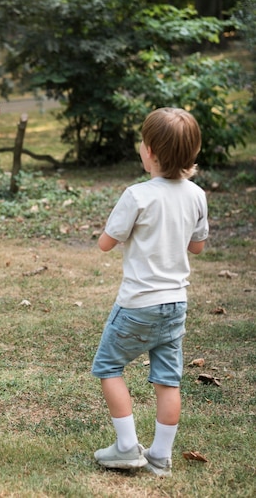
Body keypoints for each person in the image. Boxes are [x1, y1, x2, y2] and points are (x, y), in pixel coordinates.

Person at [91, 107, 209, 477]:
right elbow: (197, 247)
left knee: (109, 367)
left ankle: (126, 447)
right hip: (175, 304)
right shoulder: (196, 195)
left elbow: (106, 244)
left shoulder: (137, 195)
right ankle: (160, 456)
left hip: (138, 303)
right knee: (167, 379)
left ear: (151, 152)